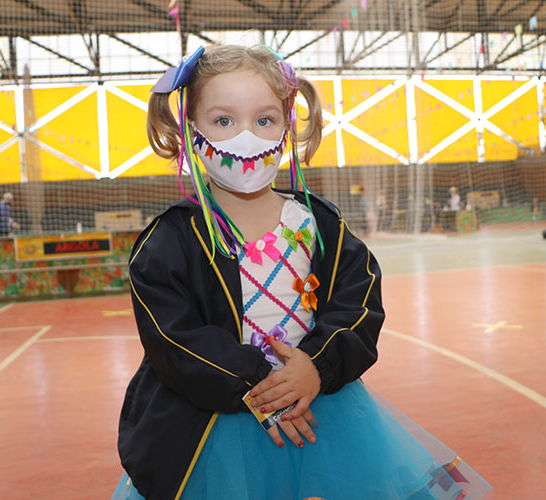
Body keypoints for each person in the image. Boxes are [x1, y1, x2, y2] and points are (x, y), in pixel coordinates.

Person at [113, 45, 492, 500]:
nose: (246, 137)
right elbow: (173, 339)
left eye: (264, 120)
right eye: (224, 121)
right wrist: (263, 388)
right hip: (211, 428)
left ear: (287, 126)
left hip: (322, 407)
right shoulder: (169, 241)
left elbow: (359, 302)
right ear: (191, 129)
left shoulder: (318, 223)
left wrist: (317, 366)